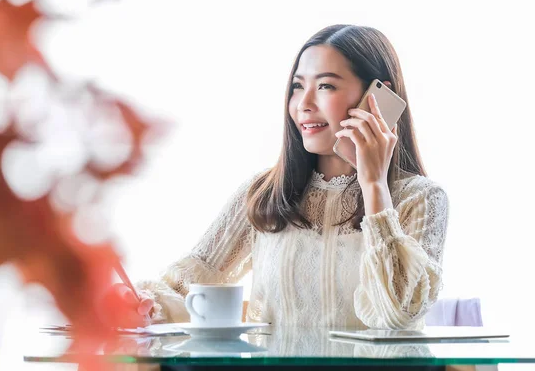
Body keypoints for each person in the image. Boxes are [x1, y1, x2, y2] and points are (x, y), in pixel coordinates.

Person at [117, 24, 449, 332]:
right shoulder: (263, 194)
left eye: (325, 86)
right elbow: (187, 286)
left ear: (377, 99)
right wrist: (140, 303)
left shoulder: (420, 198)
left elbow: (398, 313)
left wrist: (374, 185)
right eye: (297, 87)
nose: (303, 104)